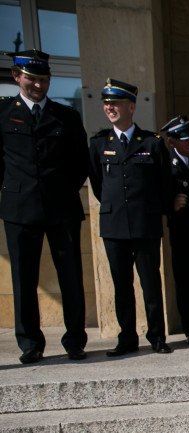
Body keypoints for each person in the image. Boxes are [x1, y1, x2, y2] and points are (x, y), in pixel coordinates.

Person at [0, 49, 89, 363]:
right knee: (23, 278)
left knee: (71, 277)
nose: (39, 85)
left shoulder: (65, 116)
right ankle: (30, 343)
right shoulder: (3, 113)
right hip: (19, 209)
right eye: (32, 79)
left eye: (44, 79)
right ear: (17, 77)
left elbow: (81, 162)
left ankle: (75, 340)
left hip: (61, 208)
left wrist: (65, 188)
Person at [88, 78, 174, 356]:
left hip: (145, 223)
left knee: (150, 282)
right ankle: (126, 337)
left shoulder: (151, 142)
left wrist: (149, 208)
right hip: (114, 225)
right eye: (106, 103)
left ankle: (157, 336)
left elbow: (164, 183)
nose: (110, 108)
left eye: (115, 103)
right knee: (121, 284)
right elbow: (99, 184)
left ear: (131, 106)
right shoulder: (100, 142)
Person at [160, 114, 189, 345]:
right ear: (172, 142)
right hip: (181, 226)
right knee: (185, 277)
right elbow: (152, 191)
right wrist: (169, 205)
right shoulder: (165, 162)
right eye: (185, 140)